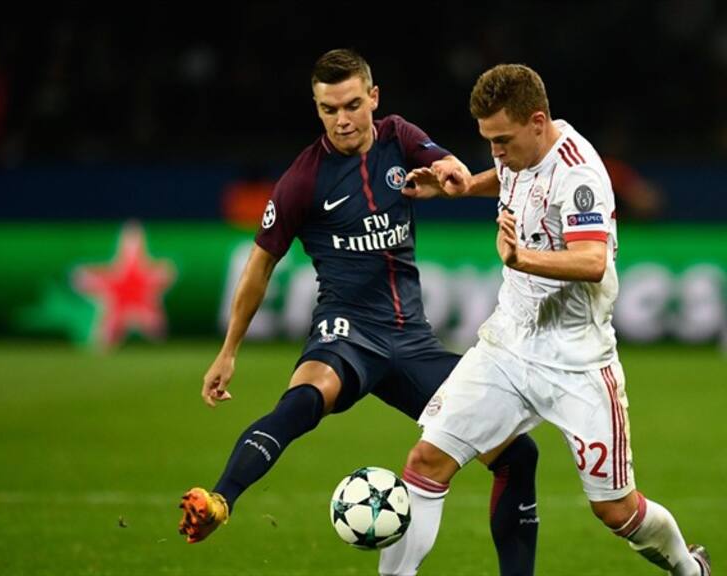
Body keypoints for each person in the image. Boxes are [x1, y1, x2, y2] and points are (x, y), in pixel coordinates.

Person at [178, 49, 540, 576]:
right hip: (347, 333)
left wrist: (450, 169)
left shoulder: (397, 136)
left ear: (373, 98)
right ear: (317, 108)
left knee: (517, 454)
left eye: (351, 104)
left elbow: (441, 161)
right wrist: (228, 350)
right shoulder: (302, 180)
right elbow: (259, 266)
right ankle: (221, 500)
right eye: (329, 109)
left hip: (413, 343)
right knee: (304, 400)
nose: (342, 119)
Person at [380, 64, 710, 576]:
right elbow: (512, 175)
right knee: (426, 462)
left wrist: (521, 260)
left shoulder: (580, 173)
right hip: (508, 346)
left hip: (578, 362)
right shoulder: (518, 152)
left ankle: (690, 569)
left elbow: (592, 260)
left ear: (538, 121)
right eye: (488, 141)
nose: (496, 152)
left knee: (615, 510)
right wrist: (464, 186)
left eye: (503, 139)